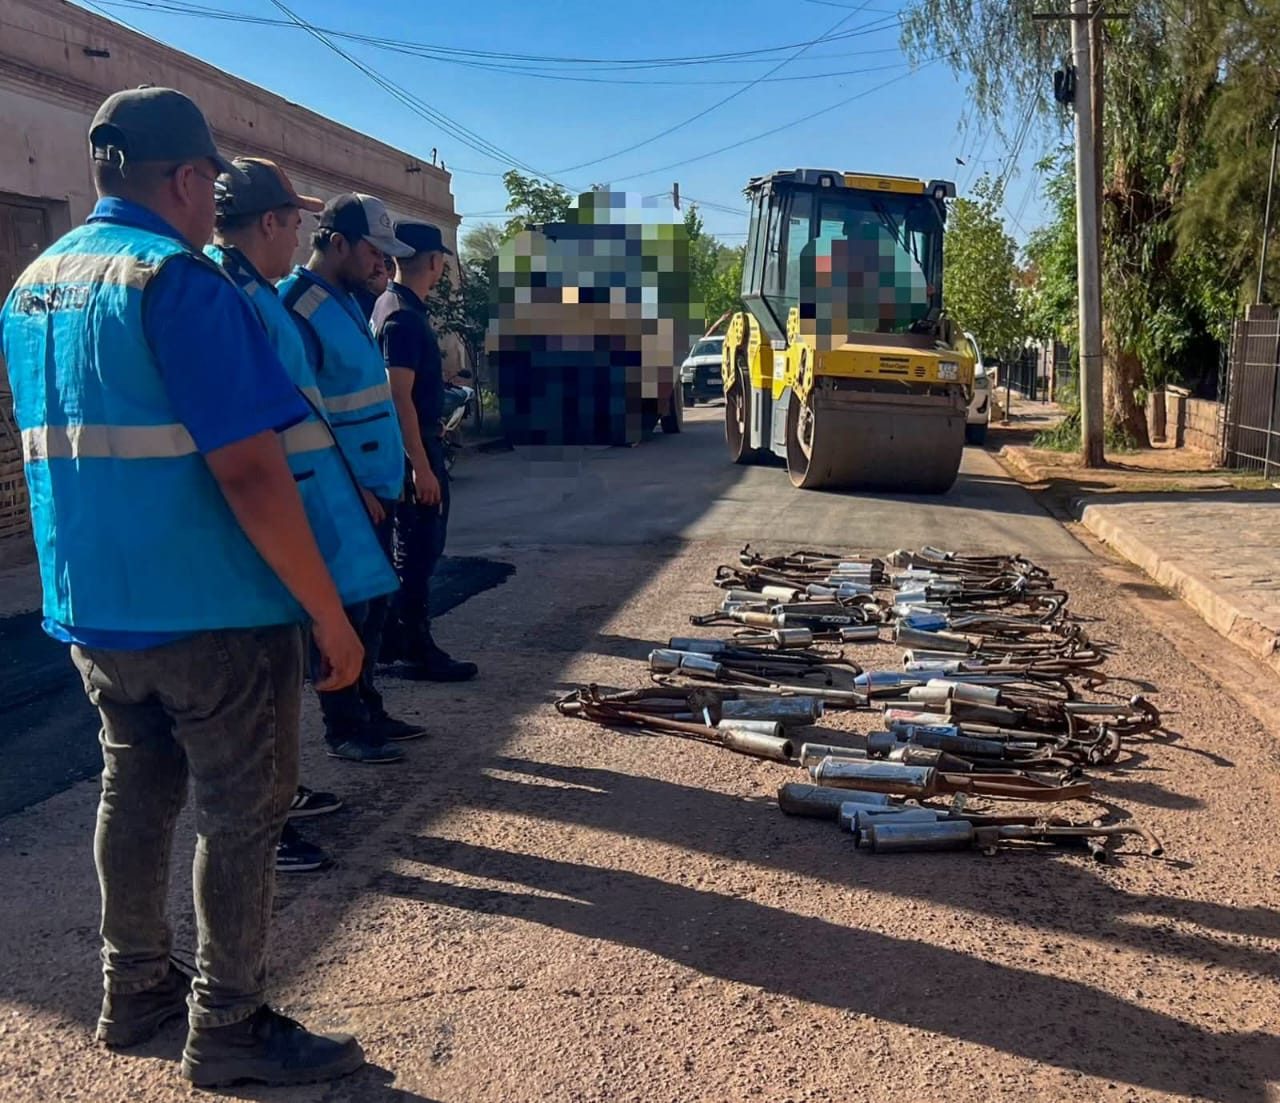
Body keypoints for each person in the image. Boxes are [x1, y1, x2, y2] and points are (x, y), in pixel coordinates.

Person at [0, 86, 365, 1088]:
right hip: (211, 607)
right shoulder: (179, 281)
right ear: (190, 178)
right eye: (212, 187)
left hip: (94, 608)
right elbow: (248, 469)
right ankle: (231, 1025)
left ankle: (135, 990)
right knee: (245, 810)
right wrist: (328, 613)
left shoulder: (31, 286)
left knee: (135, 789)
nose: (216, 209)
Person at [206, 157, 402, 871]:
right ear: (269, 222)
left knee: (279, 668)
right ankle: (265, 825)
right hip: (269, 510)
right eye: (294, 222)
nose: (300, 234)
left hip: (310, 495)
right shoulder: (236, 296)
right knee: (256, 680)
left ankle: (277, 796)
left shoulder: (257, 292)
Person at [278, 195, 425, 762]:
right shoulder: (296, 307)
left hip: (373, 484)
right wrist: (354, 486)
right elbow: (306, 412)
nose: (381, 264)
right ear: (336, 242)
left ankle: (368, 705)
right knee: (346, 609)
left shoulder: (345, 299)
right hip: (340, 493)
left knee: (375, 602)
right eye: (372, 251)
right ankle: (343, 724)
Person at [371, 222, 478, 681]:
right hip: (416, 450)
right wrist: (420, 466)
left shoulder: (390, 305)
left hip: (413, 446)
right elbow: (399, 397)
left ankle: (399, 638)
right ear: (433, 261)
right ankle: (413, 644)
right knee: (419, 550)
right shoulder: (402, 316)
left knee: (413, 548)